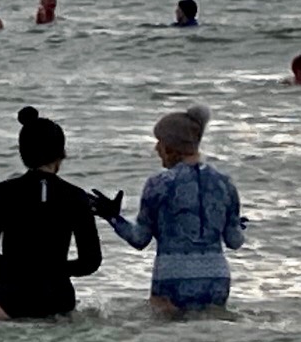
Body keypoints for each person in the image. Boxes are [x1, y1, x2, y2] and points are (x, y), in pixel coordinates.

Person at [102, 105, 245, 316]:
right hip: (217, 279)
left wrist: (113, 217)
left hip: (172, 278)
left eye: (159, 142)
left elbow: (140, 239)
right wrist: (238, 225)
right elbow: (235, 241)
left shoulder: (159, 184)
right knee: (210, 339)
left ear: (171, 147)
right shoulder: (225, 183)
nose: (156, 149)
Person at [0, 108, 102, 321]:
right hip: (56, 296)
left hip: (9, 296)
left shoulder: (3, 192)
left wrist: (17, 268)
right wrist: (54, 270)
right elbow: (90, 261)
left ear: (23, 152)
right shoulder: (75, 196)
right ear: (61, 153)